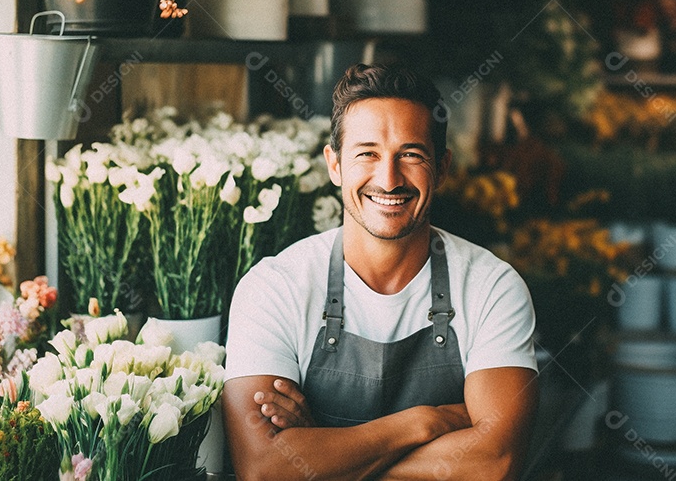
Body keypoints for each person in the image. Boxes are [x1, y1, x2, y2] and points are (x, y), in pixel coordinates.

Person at [222, 64, 538, 480]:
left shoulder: (492, 287)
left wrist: (324, 450)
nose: (388, 180)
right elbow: (263, 468)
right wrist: (422, 423)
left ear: (441, 168)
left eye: (410, 154)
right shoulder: (274, 288)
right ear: (334, 165)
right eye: (367, 153)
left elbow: (495, 463)